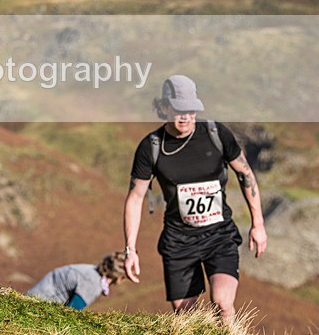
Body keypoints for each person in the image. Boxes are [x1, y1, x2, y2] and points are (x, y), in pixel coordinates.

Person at [123, 75, 267, 323]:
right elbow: (135, 199)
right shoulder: (152, 147)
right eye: (179, 110)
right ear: (165, 107)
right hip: (178, 241)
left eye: (191, 110)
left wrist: (258, 224)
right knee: (186, 317)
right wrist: (130, 249)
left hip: (219, 235)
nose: (186, 116)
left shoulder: (216, 133)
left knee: (222, 303)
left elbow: (245, 174)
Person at [27, 252, 127, 309]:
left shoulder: (91, 271)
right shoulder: (93, 283)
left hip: (34, 298)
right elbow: (71, 312)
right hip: (39, 306)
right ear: (119, 277)